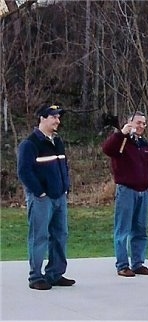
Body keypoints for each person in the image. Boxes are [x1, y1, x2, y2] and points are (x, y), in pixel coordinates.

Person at [17, 104, 75, 290]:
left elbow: (63, 167)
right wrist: (40, 192)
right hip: (41, 198)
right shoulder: (30, 143)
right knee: (39, 236)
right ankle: (36, 277)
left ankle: (55, 273)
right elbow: (24, 172)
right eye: (54, 117)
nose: (58, 121)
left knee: (60, 235)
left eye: (58, 117)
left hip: (59, 197)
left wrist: (66, 187)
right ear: (42, 118)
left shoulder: (58, 142)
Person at [102, 111, 148, 277]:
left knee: (140, 230)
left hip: (143, 192)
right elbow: (107, 149)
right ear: (130, 123)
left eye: (144, 123)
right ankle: (122, 265)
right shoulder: (121, 141)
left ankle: (138, 263)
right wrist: (122, 133)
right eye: (138, 123)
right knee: (122, 229)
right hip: (126, 191)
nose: (141, 126)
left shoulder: (145, 145)